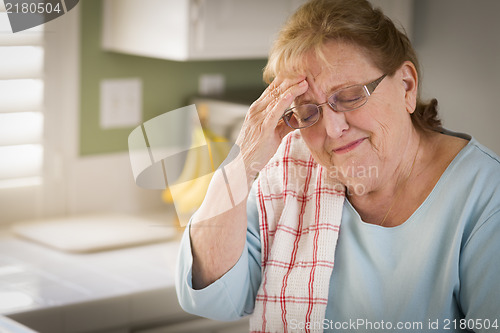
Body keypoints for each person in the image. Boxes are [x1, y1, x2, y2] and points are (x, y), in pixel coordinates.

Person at [175, 0, 500, 332]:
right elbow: (215, 296)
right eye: (307, 112)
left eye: (349, 97)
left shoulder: (485, 194)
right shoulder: (291, 170)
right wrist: (243, 163)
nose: (331, 129)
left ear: (406, 85)